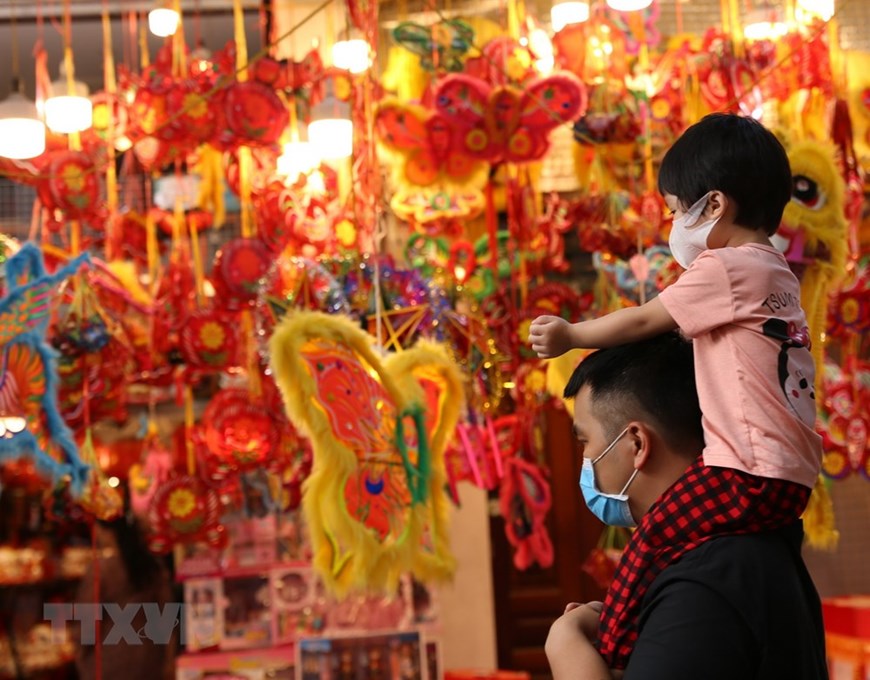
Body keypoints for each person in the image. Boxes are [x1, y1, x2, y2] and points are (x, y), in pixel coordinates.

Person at [529, 113, 823, 669]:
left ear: (713, 207)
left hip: (747, 472)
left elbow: (644, 321)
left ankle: (612, 637)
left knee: (656, 532)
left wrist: (572, 335)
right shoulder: (777, 274)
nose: (671, 226)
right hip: (787, 476)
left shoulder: (729, 269)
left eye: (672, 210)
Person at [545, 334, 828, 679]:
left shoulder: (702, 587)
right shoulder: (743, 542)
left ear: (636, 443)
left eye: (586, 442)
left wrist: (565, 644)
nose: (586, 460)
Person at [75, 514, 177, 680]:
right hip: (150, 663)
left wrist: (81, 657)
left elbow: (87, 626)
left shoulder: (102, 570)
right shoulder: (153, 567)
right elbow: (167, 622)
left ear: (107, 533)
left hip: (110, 664)